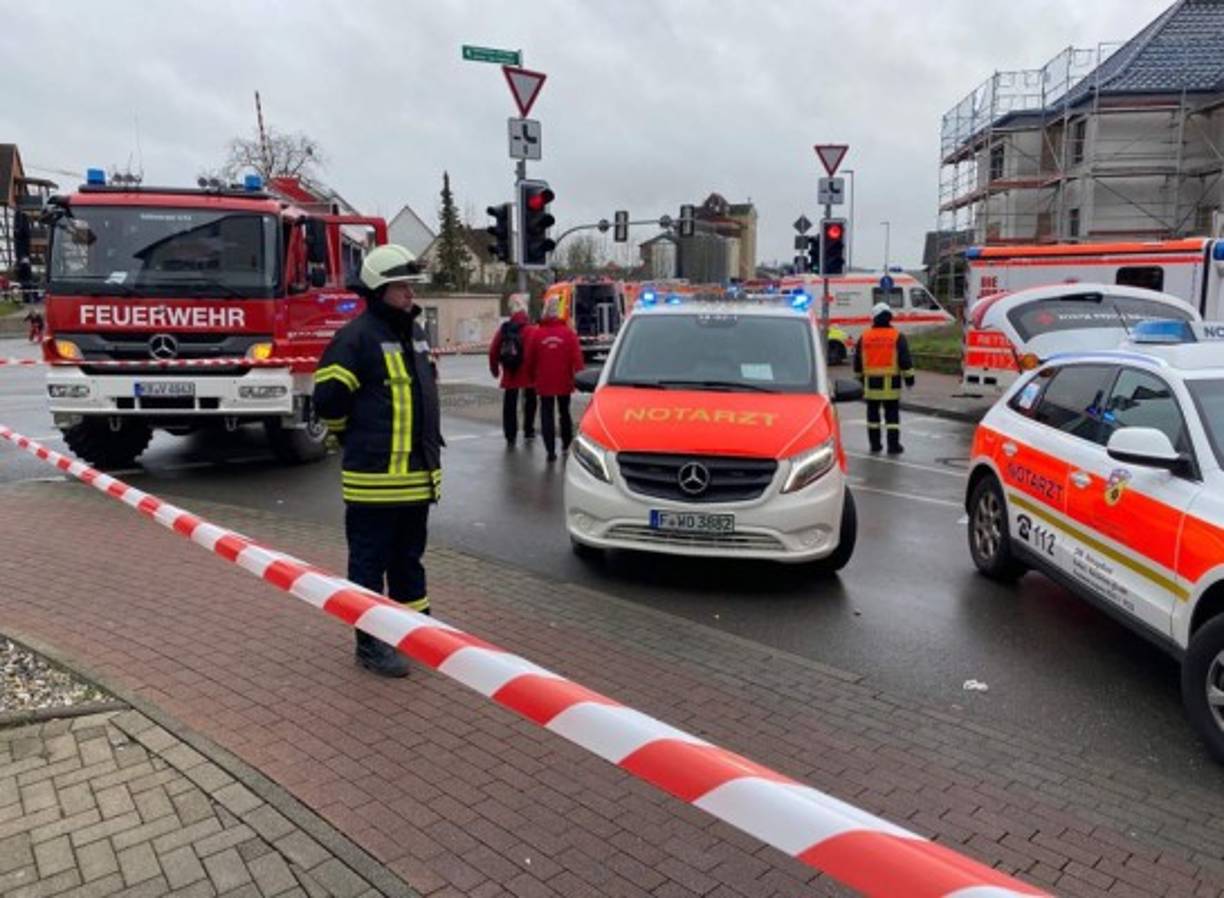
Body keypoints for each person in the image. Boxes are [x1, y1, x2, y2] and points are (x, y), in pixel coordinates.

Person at [313, 244, 443, 678]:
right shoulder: (355, 338)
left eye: (411, 285)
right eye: (402, 286)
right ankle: (371, 645)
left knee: (409, 562)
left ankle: (417, 634)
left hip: (417, 480)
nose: (410, 293)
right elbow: (328, 401)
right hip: (374, 482)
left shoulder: (415, 333)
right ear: (379, 289)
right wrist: (350, 436)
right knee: (369, 566)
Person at [853, 302, 915, 455]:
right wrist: (909, 379)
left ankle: (875, 445)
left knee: (873, 418)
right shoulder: (897, 336)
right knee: (892, 417)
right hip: (891, 385)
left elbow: (857, 361)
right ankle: (893, 446)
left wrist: (858, 380)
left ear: (874, 318)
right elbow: (905, 360)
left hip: (871, 385)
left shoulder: (865, 337)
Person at [527, 296, 584, 462]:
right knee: (564, 412)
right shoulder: (568, 333)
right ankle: (566, 443)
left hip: (544, 381)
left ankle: (550, 450)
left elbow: (530, 359)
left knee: (547, 414)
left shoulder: (537, 333)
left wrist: (531, 377)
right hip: (564, 380)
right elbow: (577, 358)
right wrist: (579, 377)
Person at [488, 293, 537, 446]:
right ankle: (529, 430)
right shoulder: (532, 329)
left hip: (511, 371)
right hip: (529, 373)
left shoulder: (505, 329)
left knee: (510, 403)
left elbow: (493, 350)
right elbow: (539, 353)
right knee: (530, 401)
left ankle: (510, 434)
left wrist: (495, 370)